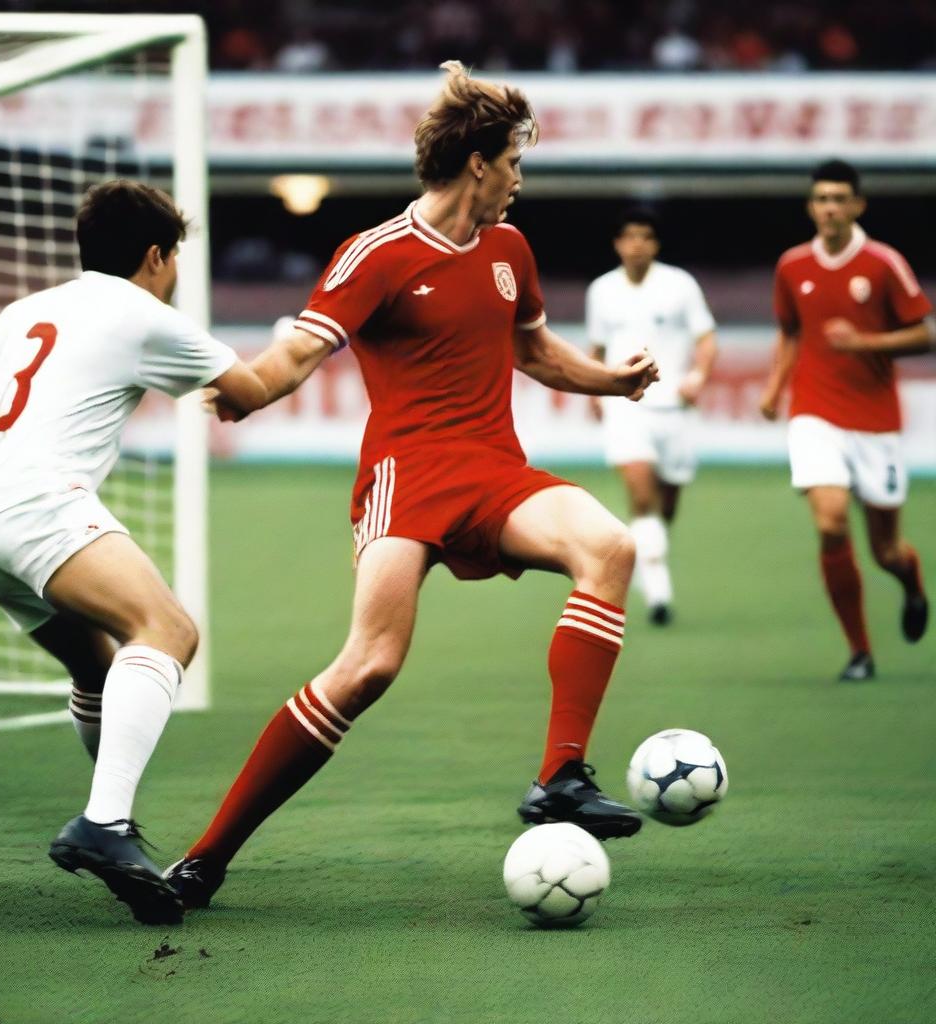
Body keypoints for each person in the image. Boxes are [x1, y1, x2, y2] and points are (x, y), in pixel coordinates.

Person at [164, 61, 659, 909]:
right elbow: (296, 353)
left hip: (497, 470)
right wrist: (246, 387)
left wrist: (611, 380)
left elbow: (534, 352)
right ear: (478, 164)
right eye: (513, 161)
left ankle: (560, 777)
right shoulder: (377, 254)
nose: (518, 179)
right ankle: (207, 856)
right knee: (368, 667)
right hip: (407, 479)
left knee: (609, 545)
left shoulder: (510, 249)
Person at [0, 180, 267, 924]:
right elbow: (247, 387)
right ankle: (104, 824)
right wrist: (322, 335)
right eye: (173, 258)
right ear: (156, 256)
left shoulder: (33, 307)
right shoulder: (141, 311)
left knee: (96, 666)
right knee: (170, 631)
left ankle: (114, 827)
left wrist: (3, 461)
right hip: (42, 507)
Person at [760, 159, 934, 681]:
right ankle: (859, 651)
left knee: (885, 550)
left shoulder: (883, 264)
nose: (830, 208)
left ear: (858, 205)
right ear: (811, 206)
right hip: (815, 411)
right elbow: (791, 331)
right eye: (821, 199)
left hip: (876, 421)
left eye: (839, 198)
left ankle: (910, 582)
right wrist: (775, 387)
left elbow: (924, 334)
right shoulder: (792, 265)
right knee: (831, 521)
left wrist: (866, 343)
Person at [586, 207, 717, 625]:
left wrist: (698, 376)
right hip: (626, 407)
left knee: (667, 502)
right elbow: (597, 348)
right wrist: (593, 386)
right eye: (629, 236)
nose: (637, 244)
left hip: (674, 407)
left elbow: (706, 338)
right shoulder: (602, 290)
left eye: (645, 236)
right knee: (643, 499)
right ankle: (659, 593)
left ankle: (651, 556)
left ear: (655, 244)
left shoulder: (680, 285)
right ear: (617, 244)